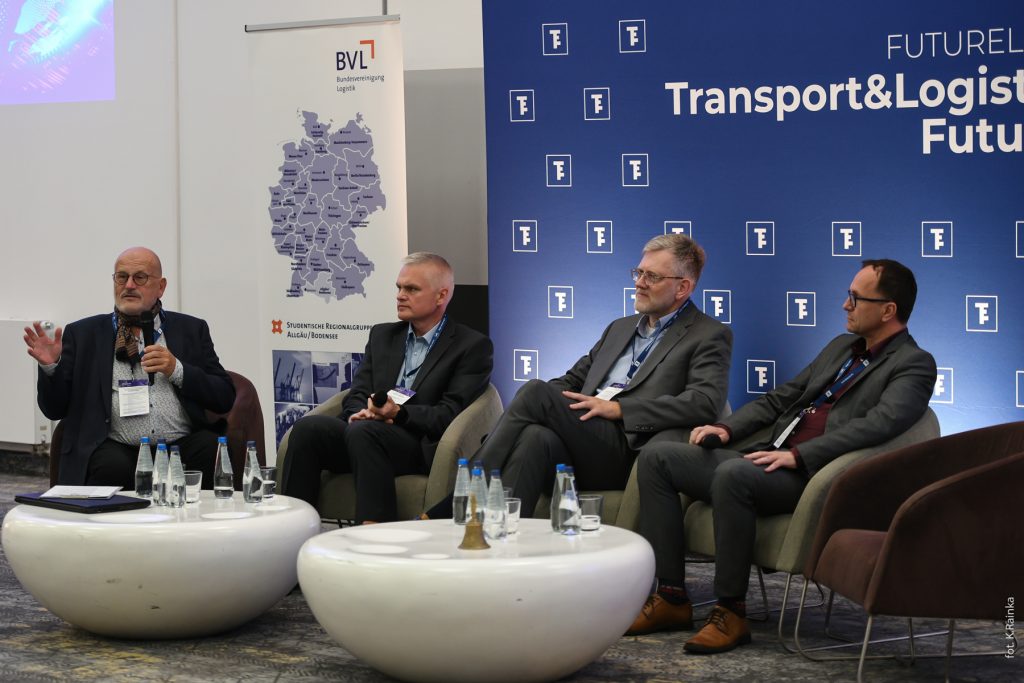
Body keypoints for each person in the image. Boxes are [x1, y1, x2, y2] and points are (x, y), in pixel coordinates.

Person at [627, 259, 937, 654]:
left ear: (888, 310)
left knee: (733, 476)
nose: (845, 305)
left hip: (812, 476)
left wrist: (801, 456)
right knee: (658, 459)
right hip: (767, 457)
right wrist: (727, 429)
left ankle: (731, 612)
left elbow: (880, 425)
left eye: (856, 298)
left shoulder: (914, 364)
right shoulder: (841, 348)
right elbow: (781, 398)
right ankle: (671, 597)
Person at [474, 233, 732, 517]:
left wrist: (621, 409)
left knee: (536, 391)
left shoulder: (708, 334)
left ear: (682, 287)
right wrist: (542, 410)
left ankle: (466, 492)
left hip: (628, 449)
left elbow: (704, 402)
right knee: (536, 436)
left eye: (652, 277)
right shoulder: (620, 328)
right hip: (584, 438)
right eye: (639, 273)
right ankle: (501, 533)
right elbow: (572, 380)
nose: (639, 283)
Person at [280, 252, 493, 523]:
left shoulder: (471, 346)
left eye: (411, 289)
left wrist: (398, 414)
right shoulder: (382, 335)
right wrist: (358, 413)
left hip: (415, 443)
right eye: (399, 287)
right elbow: (358, 391)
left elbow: (449, 413)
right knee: (308, 428)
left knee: (365, 432)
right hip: (361, 433)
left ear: (441, 296)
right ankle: (294, 527)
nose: (400, 296)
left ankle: (375, 531)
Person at [24, 247, 236, 488]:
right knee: (111, 466)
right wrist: (51, 367)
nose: (129, 285)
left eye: (140, 277)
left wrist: (177, 369)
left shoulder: (191, 330)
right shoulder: (83, 334)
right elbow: (54, 409)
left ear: (161, 287)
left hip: (179, 445)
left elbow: (224, 397)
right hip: (116, 447)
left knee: (210, 449)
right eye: (122, 277)